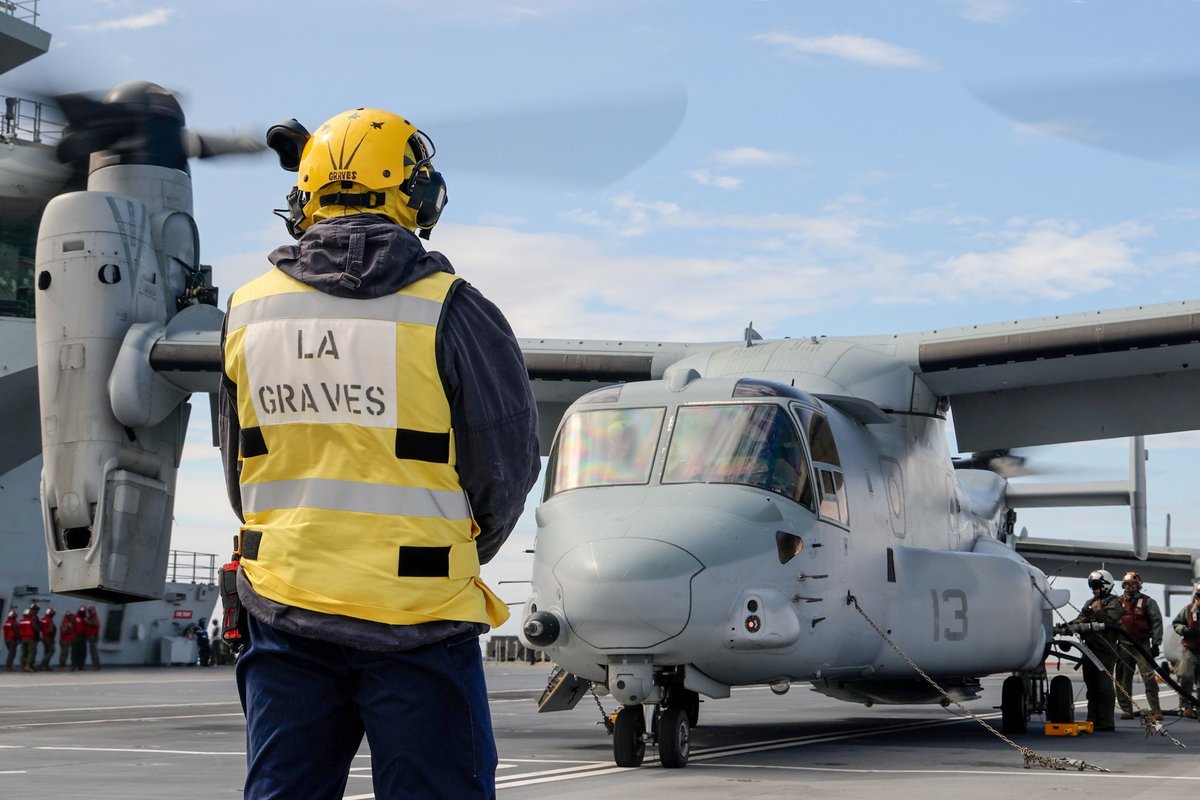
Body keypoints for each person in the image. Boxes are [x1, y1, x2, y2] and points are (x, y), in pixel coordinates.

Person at [219, 107, 540, 800]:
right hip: (419, 622)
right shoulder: (455, 310)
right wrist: (451, 549)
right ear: (415, 194)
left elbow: (240, 472)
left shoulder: (247, 312)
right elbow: (506, 473)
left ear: (303, 199)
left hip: (284, 611)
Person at [1063, 569, 1123, 731]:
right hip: (1089, 650)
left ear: (1106, 585)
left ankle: (1106, 722)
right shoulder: (1090, 602)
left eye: (1096, 585)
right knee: (1091, 687)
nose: (1093, 589)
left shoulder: (1114, 603)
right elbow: (1081, 617)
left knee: (1104, 687)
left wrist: (1099, 612)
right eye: (1092, 585)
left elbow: (1111, 622)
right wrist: (1069, 626)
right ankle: (1092, 720)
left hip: (1105, 651)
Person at [1114, 571, 1163, 720]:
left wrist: (1156, 644)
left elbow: (1157, 623)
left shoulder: (1148, 602)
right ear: (1123, 585)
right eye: (1127, 584)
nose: (1130, 587)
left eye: (1133, 584)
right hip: (1123, 644)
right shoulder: (1116, 602)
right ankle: (1127, 709)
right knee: (1123, 678)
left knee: (1148, 676)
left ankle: (1156, 710)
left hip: (1142, 644)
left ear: (1139, 585)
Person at [1172, 582, 1200, 717]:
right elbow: (1176, 623)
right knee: (1186, 676)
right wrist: (1184, 630)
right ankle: (1186, 706)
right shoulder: (1189, 609)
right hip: (1190, 650)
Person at [17, 607, 37, 673]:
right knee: (30, 652)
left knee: (24, 652)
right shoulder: (31, 621)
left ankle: (22, 666)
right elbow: (36, 629)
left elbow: (18, 630)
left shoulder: (21, 621)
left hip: (23, 639)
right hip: (30, 639)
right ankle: (28, 666)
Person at [37, 608, 57, 672]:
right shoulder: (49, 620)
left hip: (43, 637)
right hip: (49, 638)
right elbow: (51, 630)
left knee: (46, 652)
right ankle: (41, 664)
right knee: (51, 651)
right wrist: (52, 637)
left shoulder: (42, 619)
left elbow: (39, 628)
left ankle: (46, 666)